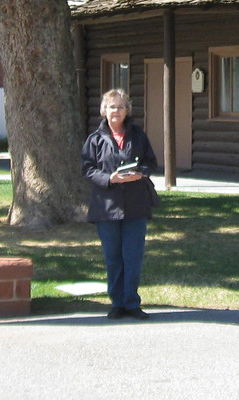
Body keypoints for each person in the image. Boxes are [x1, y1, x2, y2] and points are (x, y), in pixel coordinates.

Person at [81, 88, 160, 320]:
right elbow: (87, 169)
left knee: (133, 256)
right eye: (112, 106)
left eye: (121, 106)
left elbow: (150, 163)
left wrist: (141, 173)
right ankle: (117, 303)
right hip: (106, 206)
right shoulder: (94, 140)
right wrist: (109, 179)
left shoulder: (138, 136)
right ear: (104, 110)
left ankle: (132, 303)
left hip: (136, 205)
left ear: (128, 110)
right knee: (113, 257)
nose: (116, 111)